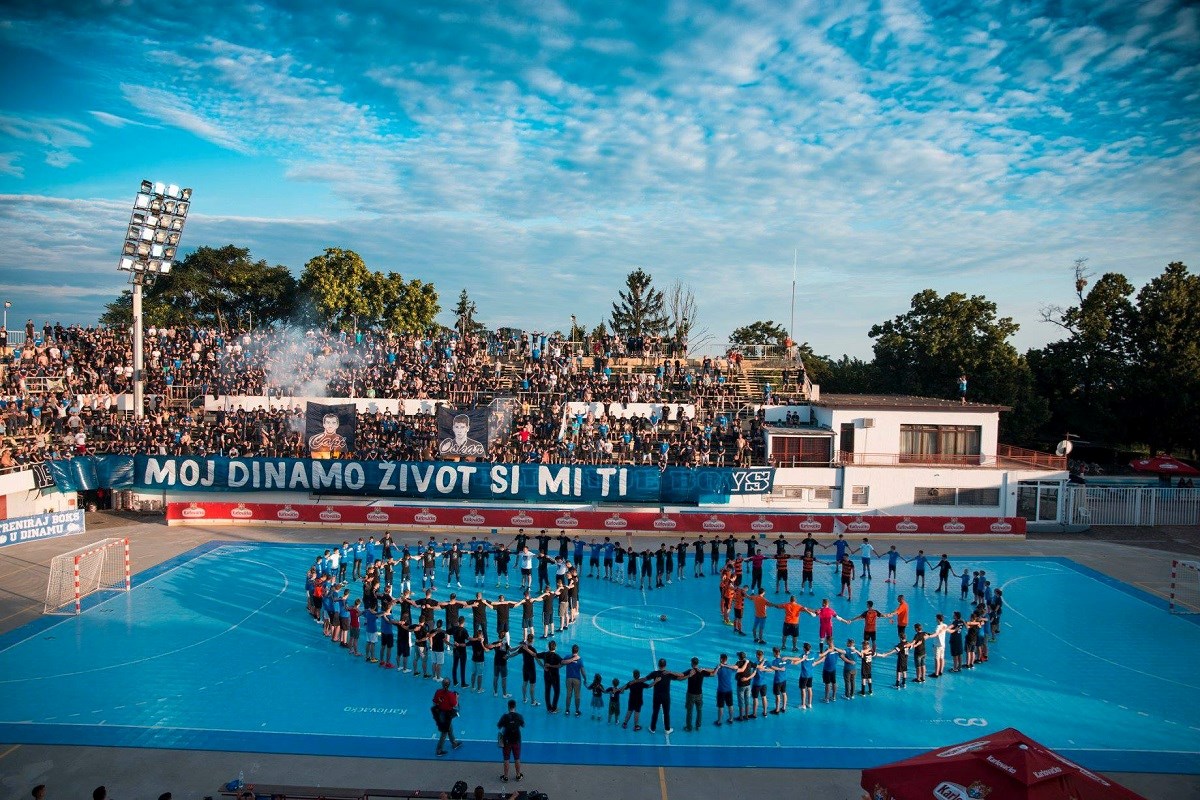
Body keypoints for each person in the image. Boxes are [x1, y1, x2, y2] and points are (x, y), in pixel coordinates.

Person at [646, 657, 683, 734]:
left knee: (655, 712)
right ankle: (667, 729)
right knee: (666, 713)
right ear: (665, 665)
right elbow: (681, 676)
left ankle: (652, 728)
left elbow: (646, 679)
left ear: (658, 665)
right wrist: (671, 672)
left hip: (657, 697)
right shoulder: (669, 674)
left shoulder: (654, 673)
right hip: (666, 697)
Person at [432, 678, 463, 756]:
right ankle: (439, 750)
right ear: (449, 685)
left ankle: (454, 743)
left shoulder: (438, 692)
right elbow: (455, 705)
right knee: (444, 732)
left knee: (449, 728)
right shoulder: (451, 694)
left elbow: (434, 703)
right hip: (447, 715)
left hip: (440, 714)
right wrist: (457, 698)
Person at [682, 656, 714, 731]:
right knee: (699, 710)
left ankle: (689, 727)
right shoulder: (702, 671)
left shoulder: (690, 671)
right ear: (697, 663)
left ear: (692, 663)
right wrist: (705, 669)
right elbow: (713, 672)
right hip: (699, 694)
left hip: (690, 694)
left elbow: (681, 675)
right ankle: (698, 726)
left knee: (689, 711)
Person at [497, 698, 525, 782]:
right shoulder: (519, 716)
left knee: (506, 758)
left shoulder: (504, 717)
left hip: (507, 741)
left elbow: (499, 726)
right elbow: (523, 725)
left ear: (508, 707)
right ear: (515, 706)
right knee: (517, 758)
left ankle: (505, 777)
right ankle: (518, 775)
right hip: (516, 740)